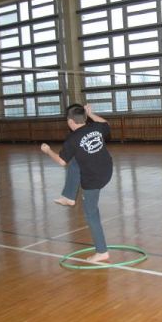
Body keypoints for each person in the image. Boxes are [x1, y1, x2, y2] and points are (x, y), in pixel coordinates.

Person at [40, 104, 113, 263]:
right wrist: (92, 114)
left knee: (91, 214)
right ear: (85, 118)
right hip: (107, 169)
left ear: (70, 122)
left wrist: (48, 151)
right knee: (75, 161)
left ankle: (102, 251)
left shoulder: (72, 139)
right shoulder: (95, 127)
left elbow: (61, 161)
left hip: (93, 179)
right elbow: (106, 124)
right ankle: (69, 196)